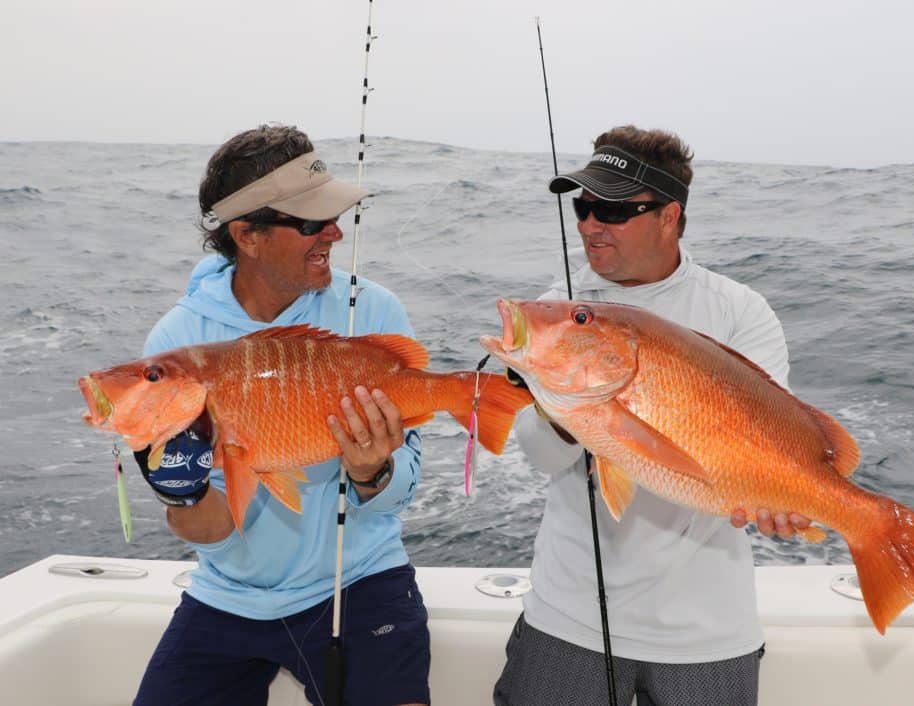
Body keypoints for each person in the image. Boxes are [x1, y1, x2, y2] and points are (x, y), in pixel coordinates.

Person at [493, 125, 809, 706]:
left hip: (707, 631)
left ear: (669, 216)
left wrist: (781, 497)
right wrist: (573, 403)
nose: (589, 224)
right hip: (568, 615)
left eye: (611, 208)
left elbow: (773, 444)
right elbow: (539, 455)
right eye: (583, 206)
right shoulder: (563, 312)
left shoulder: (739, 311)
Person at [132, 124, 430, 706]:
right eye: (312, 223)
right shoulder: (177, 344)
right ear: (248, 234)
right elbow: (212, 534)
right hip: (227, 595)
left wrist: (374, 472)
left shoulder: (371, 309)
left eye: (333, 217)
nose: (335, 233)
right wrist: (181, 493)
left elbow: (401, 497)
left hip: (360, 581)